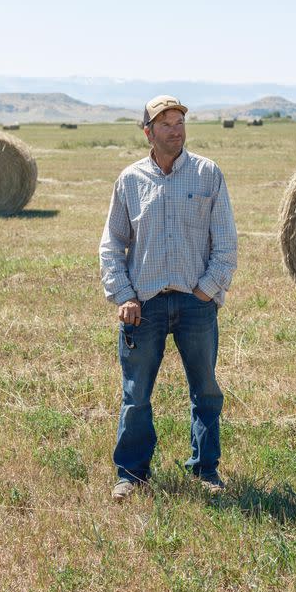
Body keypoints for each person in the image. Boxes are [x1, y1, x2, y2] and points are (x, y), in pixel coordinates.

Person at [99, 95, 237, 501]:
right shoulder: (129, 181)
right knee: (136, 393)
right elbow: (112, 245)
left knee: (206, 391)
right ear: (148, 132)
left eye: (180, 122)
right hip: (144, 306)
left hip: (196, 304)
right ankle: (131, 474)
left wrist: (206, 292)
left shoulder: (207, 174)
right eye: (166, 124)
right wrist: (124, 295)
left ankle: (205, 469)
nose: (175, 130)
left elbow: (226, 243)